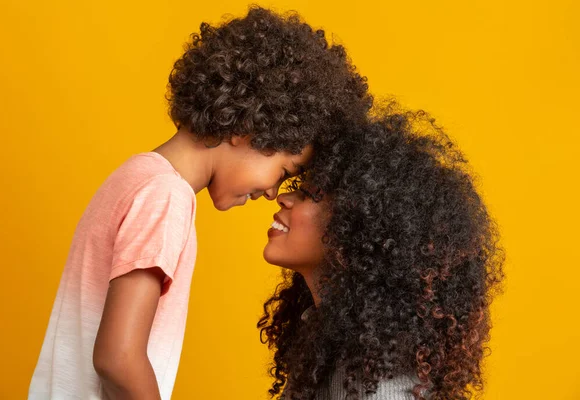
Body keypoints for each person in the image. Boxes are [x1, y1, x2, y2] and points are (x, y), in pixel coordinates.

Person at [28, 6, 372, 400]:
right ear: (251, 128)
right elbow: (117, 357)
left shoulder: (137, 176)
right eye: (282, 171)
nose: (273, 193)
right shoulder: (166, 197)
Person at [259, 107, 505, 400]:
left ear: (359, 230)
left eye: (311, 195)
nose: (284, 197)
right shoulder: (334, 344)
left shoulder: (373, 380)